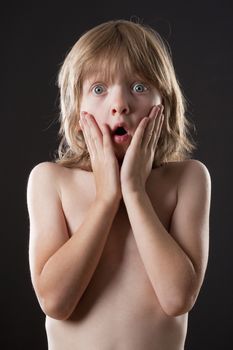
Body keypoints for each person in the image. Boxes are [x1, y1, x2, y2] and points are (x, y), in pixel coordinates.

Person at [27, 19, 211, 350]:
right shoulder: (51, 181)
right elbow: (55, 302)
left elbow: (177, 298)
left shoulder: (188, 179)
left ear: (164, 104)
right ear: (76, 111)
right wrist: (106, 199)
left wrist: (135, 193)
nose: (120, 104)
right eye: (99, 89)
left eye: (139, 87)